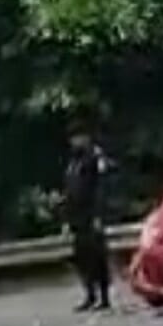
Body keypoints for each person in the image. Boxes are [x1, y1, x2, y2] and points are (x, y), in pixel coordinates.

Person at [62, 120, 113, 312]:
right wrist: (66, 219)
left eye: (78, 137)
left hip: (91, 214)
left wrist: (99, 215)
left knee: (97, 256)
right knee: (81, 257)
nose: (75, 142)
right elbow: (70, 191)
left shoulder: (94, 157)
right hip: (77, 216)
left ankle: (104, 296)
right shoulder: (74, 162)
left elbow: (101, 189)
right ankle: (90, 294)